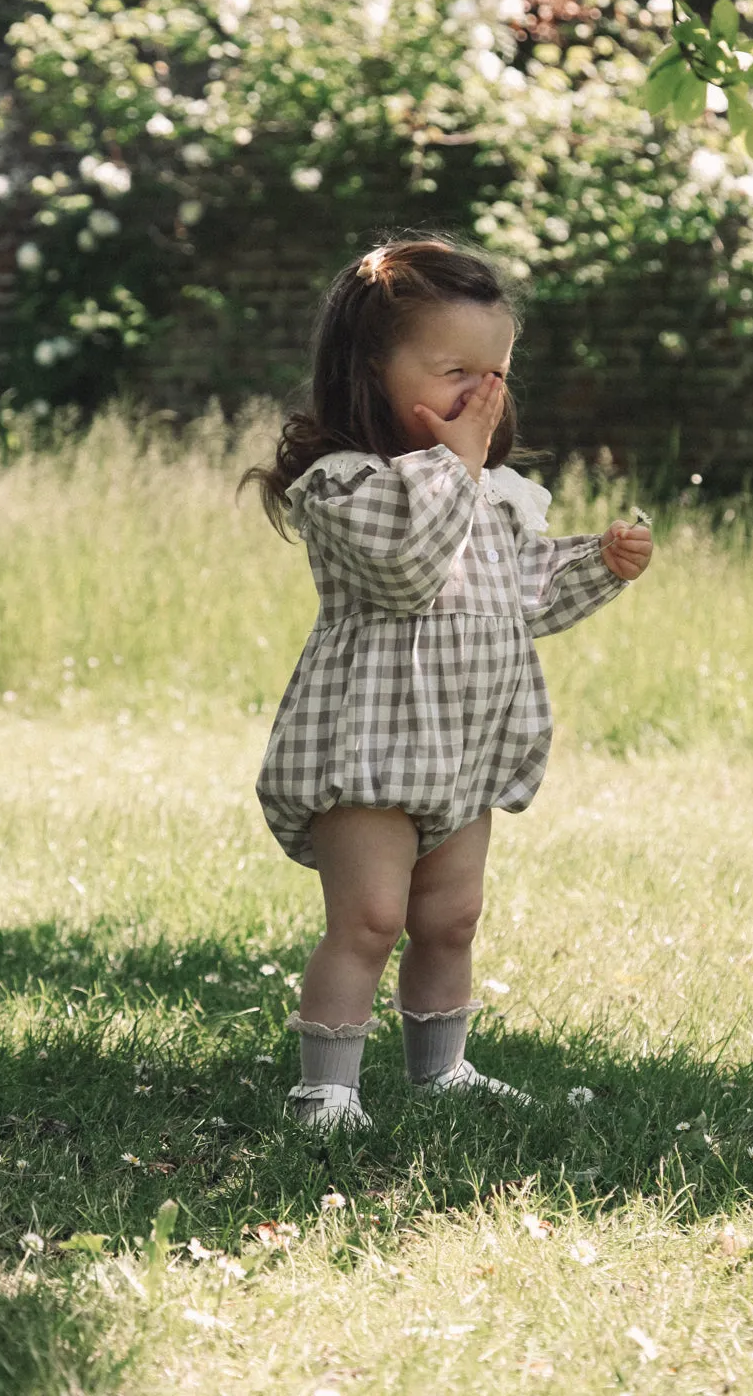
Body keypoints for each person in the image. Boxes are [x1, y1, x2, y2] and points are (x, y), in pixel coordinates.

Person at [243, 237, 653, 1130]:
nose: (481, 393)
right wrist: (457, 466)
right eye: (453, 369)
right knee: (370, 919)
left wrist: (599, 563)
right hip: (369, 746)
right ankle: (328, 1089)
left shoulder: (493, 492)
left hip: (464, 745)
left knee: (452, 918)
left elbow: (519, 599)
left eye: (495, 370)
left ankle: (441, 1071)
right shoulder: (347, 484)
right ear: (370, 369)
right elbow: (405, 570)